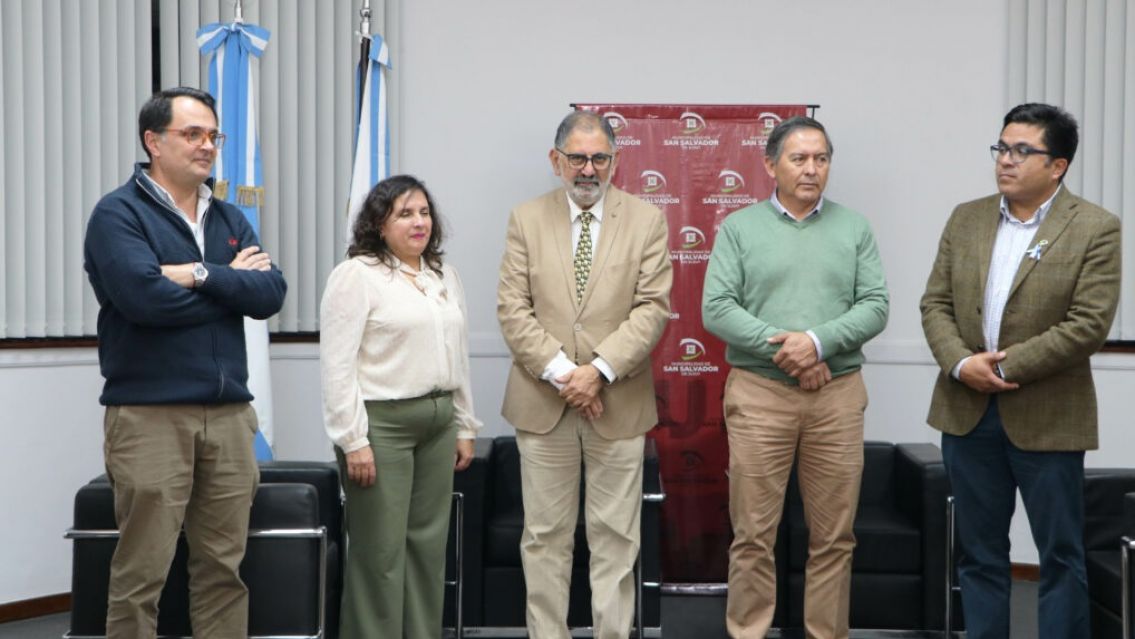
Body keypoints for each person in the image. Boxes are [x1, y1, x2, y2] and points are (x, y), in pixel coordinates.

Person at [82, 86, 287, 639]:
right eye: (191, 134)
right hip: (151, 417)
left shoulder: (228, 216)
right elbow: (145, 300)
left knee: (224, 569)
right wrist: (230, 283)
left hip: (227, 416)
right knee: (142, 572)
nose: (207, 147)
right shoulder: (117, 214)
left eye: (213, 136)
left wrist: (197, 273)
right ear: (153, 141)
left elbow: (269, 294)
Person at [921, 103, 1120, 639]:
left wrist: (1003, 366)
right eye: (1002, 148)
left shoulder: (1096, 228)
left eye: (1021, 151)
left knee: (1060, 556)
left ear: (1057, 166)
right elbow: (934, 304)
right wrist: (963, 364)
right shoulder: (967, 217)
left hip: (1048, 416)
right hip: (966, 412)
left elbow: (1087, 325)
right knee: (979, 555)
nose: (1005, 161)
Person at [702, 116, 889, 639]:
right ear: (770, 165)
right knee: (753, 535)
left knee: (834, 536)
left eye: (821, 159)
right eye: (799, 158)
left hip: (837, 396)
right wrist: (792, 347)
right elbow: (716, 308)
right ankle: (748, 632)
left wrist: (819, 343)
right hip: (760, 395)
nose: (811, 169)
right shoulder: (740, 228)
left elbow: (875, 306)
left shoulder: (855, 228)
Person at [496, 110, 672, 639]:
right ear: (556, 161)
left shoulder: (647, 221)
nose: (589, 169)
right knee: (545, 538)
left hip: (617, 405)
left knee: (616, 539)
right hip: (543, 406)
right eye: (578, 158)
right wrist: (564, 376)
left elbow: (652, 310)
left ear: (615, 161)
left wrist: (596, 372)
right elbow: (512, 309)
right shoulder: (526, 218)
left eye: (600, 158)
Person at [320, 174, 480, 638]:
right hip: (380, 429)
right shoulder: (357, 275)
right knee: (380, 554)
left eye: (424, 212)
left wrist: (465, 423)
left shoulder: (442, 275)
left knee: (427, 550)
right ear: (378, 224)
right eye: (405, 213)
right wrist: (353, 440)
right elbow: (337, 366)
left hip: (438, 422)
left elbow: (459, 355)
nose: (419, 222)